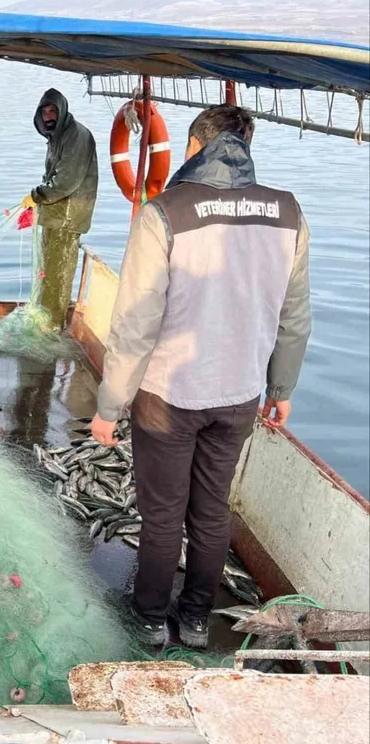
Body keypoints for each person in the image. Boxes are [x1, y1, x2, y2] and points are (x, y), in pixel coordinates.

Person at [90, 104, 311, 648]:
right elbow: (295, 314)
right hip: (239, 394)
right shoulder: (288, 213)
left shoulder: (164, 212)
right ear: (247, 146)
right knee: (212, 510)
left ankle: (147, 617)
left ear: (193, 147)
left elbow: (136, 322)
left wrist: (109, 405)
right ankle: (194, 619)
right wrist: (281, 390)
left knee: (164, 514)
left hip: (169, 394)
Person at [22, 89, 98, 331]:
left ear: (62, 111)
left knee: (58, 275)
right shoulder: (56, 136)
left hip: (67, 217)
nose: (48, 116)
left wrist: (37, 195)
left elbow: (66, 182)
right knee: (47, 274)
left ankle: (52, 327)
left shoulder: (77, 136)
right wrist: (39, 198)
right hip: (53, 215)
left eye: (53, 111)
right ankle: (44, 320)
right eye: (44, 112)